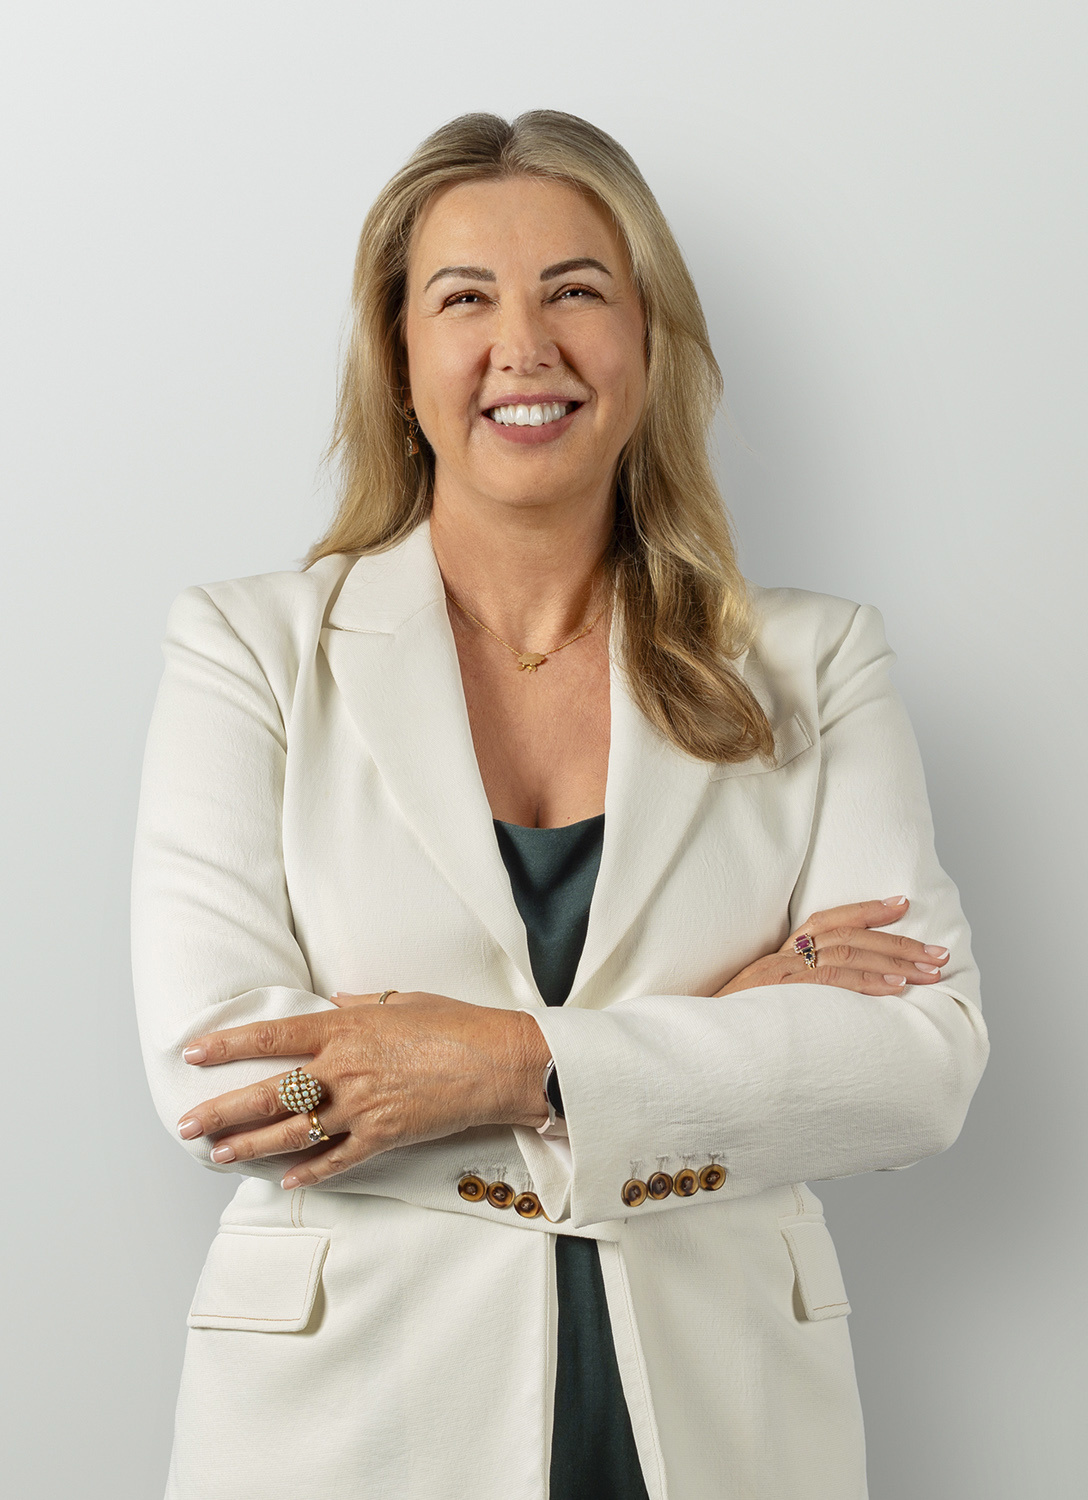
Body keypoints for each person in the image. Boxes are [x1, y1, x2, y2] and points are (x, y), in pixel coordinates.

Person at [129, 110, 988, 1500]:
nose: (524, 347)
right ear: (399, 356)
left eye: (576, 291)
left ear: (648, 340)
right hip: (349, 1423)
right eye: (465, 298)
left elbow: (916, 1066)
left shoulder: (815, 662)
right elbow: (224, 1081)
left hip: (727, 1423)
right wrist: (721, 1038)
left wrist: (505, 1064)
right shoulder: (251, 652)